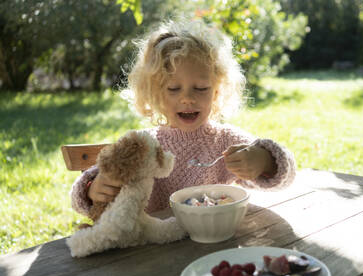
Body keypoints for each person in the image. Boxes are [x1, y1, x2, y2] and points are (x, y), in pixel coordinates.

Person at [71, 19, 296, 219]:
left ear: (217, 91)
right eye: (173, 88)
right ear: (154, 93)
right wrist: (93, 189)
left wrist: (263, 160)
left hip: (213, 244)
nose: (187, 98)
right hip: (150, 252)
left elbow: (287, 176)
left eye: (200, 88)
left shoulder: (225, 140)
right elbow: (81, 198)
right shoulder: (142, 144)